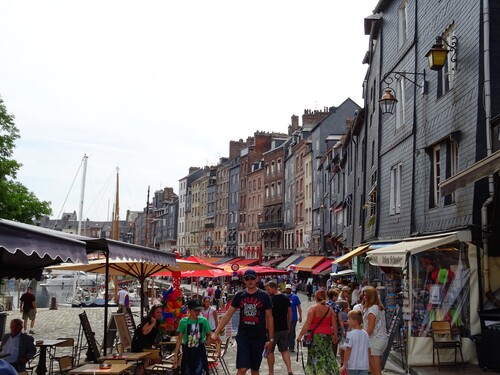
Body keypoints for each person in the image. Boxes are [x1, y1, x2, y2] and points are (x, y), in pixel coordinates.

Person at [211, 269, 274, 375]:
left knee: (255, 368)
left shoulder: (264, 296)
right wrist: (216, 332)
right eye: (247, 279)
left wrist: (271, 339)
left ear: (256, 279)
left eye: (252, 278)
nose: (250, 281)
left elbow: (270, 318)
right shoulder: (240, 295)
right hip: (244, 335)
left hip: (259, 336)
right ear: (244, 280)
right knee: (242, 368)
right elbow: (228, 314)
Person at [297, 290, 339, 375]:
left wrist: (300, 336)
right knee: (327, 354)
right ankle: (328, 371)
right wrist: (335, 336)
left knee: (315, 355)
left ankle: (316, 371)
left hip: (315, 336)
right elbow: (334, 325)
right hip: (327, 335)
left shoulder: (313, 309)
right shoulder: (330, 309)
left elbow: (307, 323)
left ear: (315, 297)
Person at [173, 299, 213, 375]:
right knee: (187, 372)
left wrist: (216, 343)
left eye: (199, 310)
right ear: (189, 310)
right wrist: (175, 355)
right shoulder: (183, 321)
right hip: (187, 351)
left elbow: (210, 333)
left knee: (198, 372)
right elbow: (179, 339)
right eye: (195, 310)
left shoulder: (203, 320)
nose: (197, 313)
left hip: (200, 351)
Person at [265, 280, 293, 375]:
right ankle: (289, 369)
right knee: (284, 350)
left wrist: (266, 327)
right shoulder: (285, 298)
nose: (267, 291)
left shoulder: (270, 299)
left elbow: (267, 316)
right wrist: (288, 324)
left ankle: (271, 372)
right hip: (284, 328)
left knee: (270, 351)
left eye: (268, 289)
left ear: (273, 288)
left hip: (272, 330)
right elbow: (290, 312)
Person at [362, 286, 388, 375]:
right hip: (379, 339)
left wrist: (361, 338)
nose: (364, 297)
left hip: (374, 340)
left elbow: (370, 329)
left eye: (366, 295)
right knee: (373, 369)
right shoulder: (378, 307)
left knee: (375, 371)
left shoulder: (372, 309)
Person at [340, 310, 370, 375]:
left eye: (349, 319)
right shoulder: (365, 334)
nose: (347, 320)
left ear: (355, 321)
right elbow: (368, 349)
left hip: (352, 365)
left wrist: (344, 364)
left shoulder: (350, 334)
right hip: (364, 365)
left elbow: (348, 350)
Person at [284, 284, 302, 352]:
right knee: (285, 332)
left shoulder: (295, 297)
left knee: (291, 332)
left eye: (289, 289)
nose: (288, 290)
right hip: (284, 318)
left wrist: (300, 315)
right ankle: (285, 345)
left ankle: (291, 346)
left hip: (293, 318)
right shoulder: (283, 297)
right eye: (287, 289)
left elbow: (299, 307)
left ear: (291, 289)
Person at [326, 288, 342, 356]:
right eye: (337, 296)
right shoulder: (337, 307)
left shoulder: (324, 305)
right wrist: (343, 329)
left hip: (326, 328)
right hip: (335, 329)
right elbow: (340, 319)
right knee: (334, 347)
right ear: (334, 296)